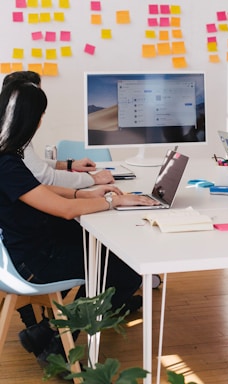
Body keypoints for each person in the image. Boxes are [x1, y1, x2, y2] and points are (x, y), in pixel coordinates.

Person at [0, 80, 160, 367]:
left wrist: (84, 193)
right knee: (125, 273)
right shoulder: (7, 163)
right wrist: (115, 202)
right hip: (33, 262)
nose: (41, 122)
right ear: (30, 119)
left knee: (105, 255)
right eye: (40, 116)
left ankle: (46, 334)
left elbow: (39, 191)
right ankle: (56, 347)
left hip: (28, 248)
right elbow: (63, 210)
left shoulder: (8, 156)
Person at [2, 71, 114, 189]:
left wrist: (70, 165)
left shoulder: (13, 135)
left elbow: (33, 165)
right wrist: (94, 179)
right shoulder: (11, 143)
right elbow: (47, 178)